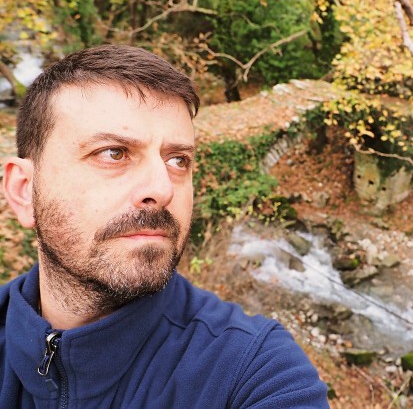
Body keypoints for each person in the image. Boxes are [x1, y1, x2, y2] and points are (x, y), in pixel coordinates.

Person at [0, 44, 329, 408]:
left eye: (178, 160)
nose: (162, 189)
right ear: (24, 190)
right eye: (113, 153)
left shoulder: (253, 369)